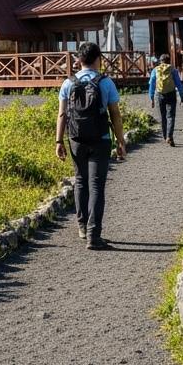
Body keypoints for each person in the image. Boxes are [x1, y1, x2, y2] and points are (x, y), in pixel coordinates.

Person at [55, 42, 126, 250]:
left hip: (76, 138)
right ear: (98, 59)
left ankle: (82, 227)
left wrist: (59, 141)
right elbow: (115, 114)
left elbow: (62, 115)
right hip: (100, 138)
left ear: (79, 60)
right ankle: (94, 235)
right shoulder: (106, 82)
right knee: (96, 185)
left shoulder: (68, 83)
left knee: (80, 181)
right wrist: (120, 141)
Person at [147, 54, 183, 146]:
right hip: (171, 94)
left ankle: (165, 137)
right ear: (169, 61)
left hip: (159, 94)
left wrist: (151, 98)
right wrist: (182, 97)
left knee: (162, 117)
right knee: (171, 116)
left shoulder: (155, 70)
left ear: (160, 61)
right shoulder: (173, 70)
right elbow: (179, 84)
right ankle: (169, 136)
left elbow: (152, 85)